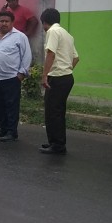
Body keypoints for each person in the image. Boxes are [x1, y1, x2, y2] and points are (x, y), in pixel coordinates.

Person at [0, 10, 32, 142]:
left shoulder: (20, 37)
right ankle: (2, 128)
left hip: (11, 78)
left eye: (7, 21)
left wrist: (21, 74)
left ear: (12, 22)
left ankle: (12, 131)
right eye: (1, 21)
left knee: (11, 105)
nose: (4, 23)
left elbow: (26, 56)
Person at [39, 8, 79, 155]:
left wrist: (44, 75)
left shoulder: (52, 32)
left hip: (57, 77)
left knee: (52, 112)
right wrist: (67, 70)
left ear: (44, 22)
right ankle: (56, 142)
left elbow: (51, 53)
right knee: (58, 111)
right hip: (66, 77)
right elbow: (76, 58)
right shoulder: (67, 34)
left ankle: (57, 145)